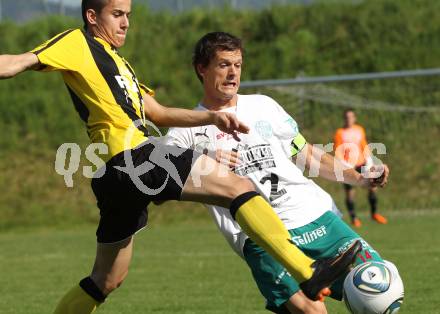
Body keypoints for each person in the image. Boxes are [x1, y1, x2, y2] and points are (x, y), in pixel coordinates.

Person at [0, 1, 362, 313]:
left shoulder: (119, 64)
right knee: (236, 185)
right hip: (133, 155)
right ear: (93, 16)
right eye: (117, 14)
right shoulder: (76, 42)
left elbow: (157, 112)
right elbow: (15, 63)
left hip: (116, 175)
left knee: (106, 280)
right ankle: (307, 272)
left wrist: (211, 116)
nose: (125, 22)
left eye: (128, 14)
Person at [165, 32, 391, 314]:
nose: (233, 72)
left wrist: (358, 177)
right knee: (312, 311)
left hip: (315, 216)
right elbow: (163, 178)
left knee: (381, 285)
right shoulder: (185, 131)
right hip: (260, 238)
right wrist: (203, 161)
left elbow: (306, 154)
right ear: (202, 68)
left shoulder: (264, 106)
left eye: (237, 64)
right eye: (223, 64)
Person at [334, 109, 388, 227]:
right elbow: (338, 150)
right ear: (344, 118)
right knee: (350, 193)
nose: (349, 119)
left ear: (354, 118)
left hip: (362, 163)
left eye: (351, 117)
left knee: (373, 187)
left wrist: (369, 160)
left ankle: (374, 214)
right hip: (348, 166)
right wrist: (343, 164)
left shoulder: (359, 130)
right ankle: (354, 218)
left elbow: (364, 145)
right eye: (347, 117)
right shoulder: (340, 132)